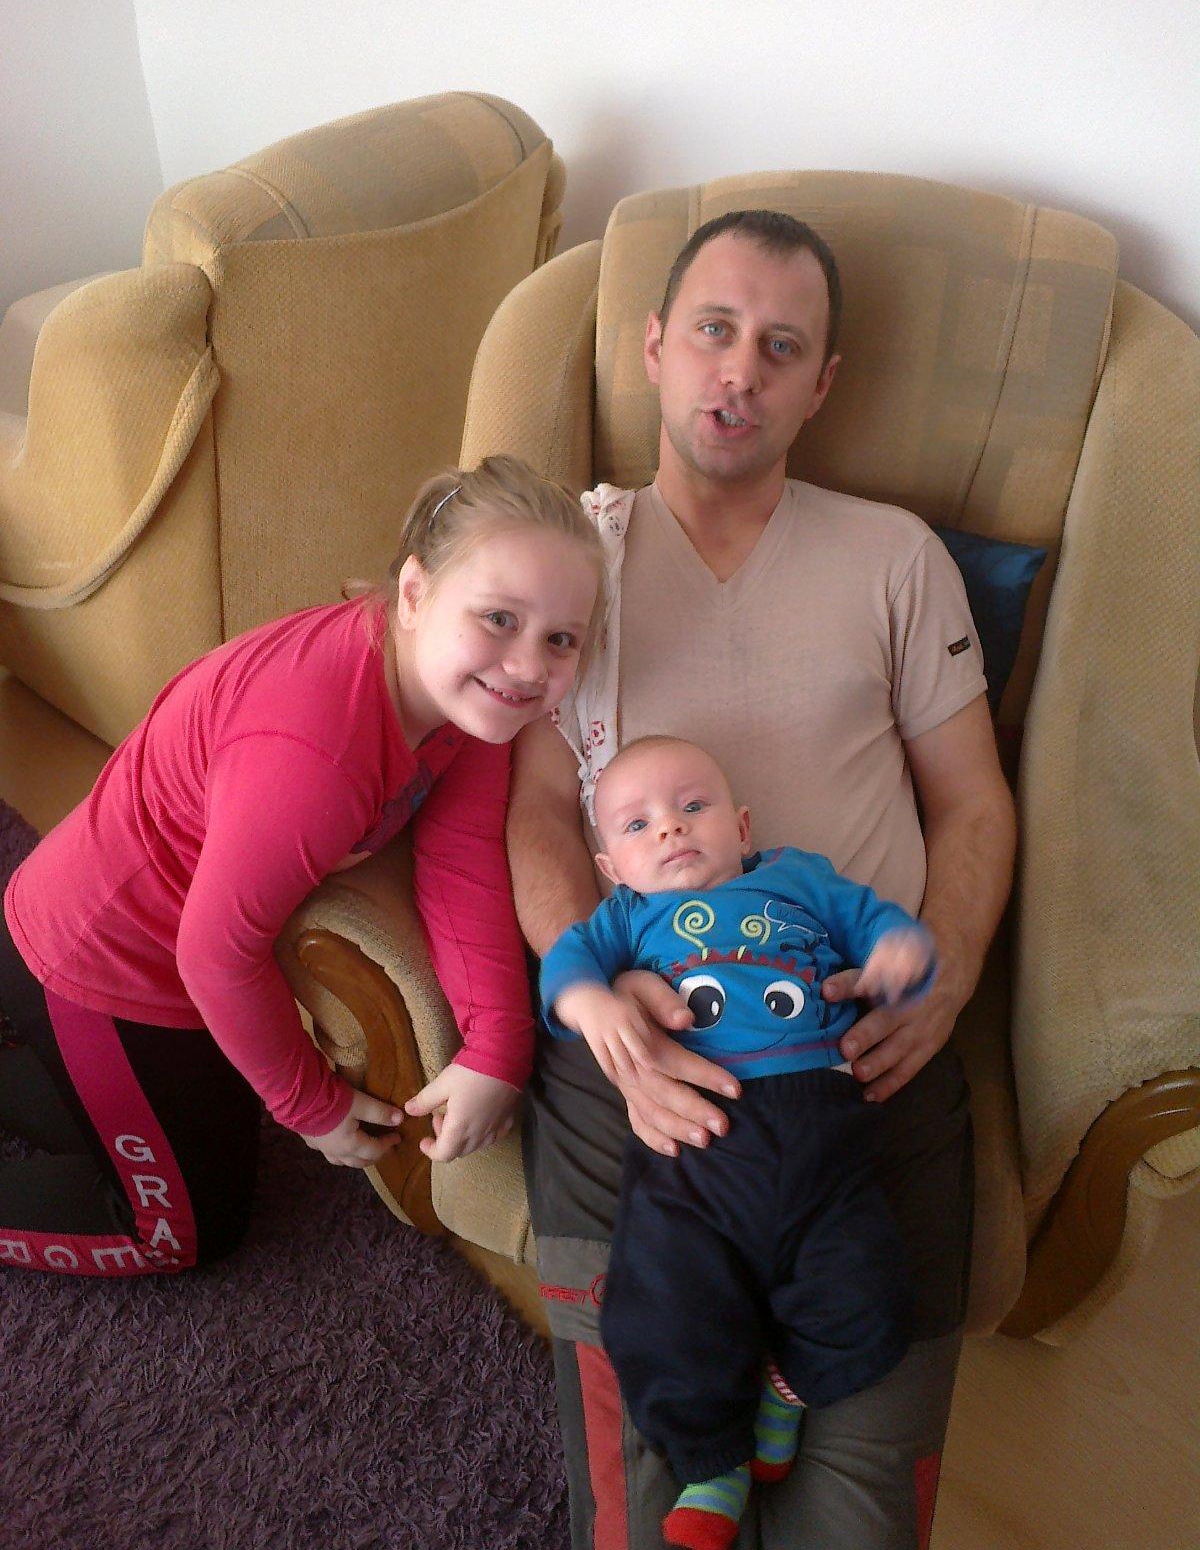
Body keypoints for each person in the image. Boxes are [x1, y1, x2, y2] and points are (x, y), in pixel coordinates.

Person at [507, 210, 1017, 1549]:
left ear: (822, 384)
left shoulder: (894, 556)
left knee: (859, 1492)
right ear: (654, 347)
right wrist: (597, 1008)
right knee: (649, 1480)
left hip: (863, 1049)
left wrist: (946, 975)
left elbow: (972, 801)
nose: (741, 370)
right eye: (715, 331)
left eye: (782, 347)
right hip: (643, 1051)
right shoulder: (577, 560)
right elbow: (540, 813)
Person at [0, 455, 602, 1277]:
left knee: (195, 1134)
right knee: (186, 1229)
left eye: (560, 639)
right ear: (415, 593)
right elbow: (213, 957)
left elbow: (462, 859)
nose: (530, 666)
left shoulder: (471, 700)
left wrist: (500, 1043)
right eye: (499, 618)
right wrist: (310, 1106)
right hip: (99, 963)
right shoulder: (317, 754)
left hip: (175, 953)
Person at [541, 734, 936, 1550]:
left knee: (874, 1300)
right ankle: (712, 1461)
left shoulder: (800, 879)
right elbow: (566, 967)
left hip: (827, 1140)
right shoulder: (626, 919)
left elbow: (876, 923)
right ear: (611, 866)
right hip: (694, 1151)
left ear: (743, 826)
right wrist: (594, 1004)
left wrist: (902, 952)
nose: (670, 828)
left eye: (694, 806)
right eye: (638, 824)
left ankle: (787, 1390)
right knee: (656, 1311)